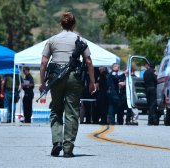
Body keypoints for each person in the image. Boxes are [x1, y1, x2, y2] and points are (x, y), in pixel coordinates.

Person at [40, 12, 95, 158]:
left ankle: (57, 141)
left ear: (61, 24)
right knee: (72, 112)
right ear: (74, 24)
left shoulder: (52, 40)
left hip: (56, 78)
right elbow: (88, 62)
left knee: (56, 109)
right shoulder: (80, 40)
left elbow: (44, 62)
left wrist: (42, 83)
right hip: (74, 77)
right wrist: (92, 82)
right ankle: (68, 149)